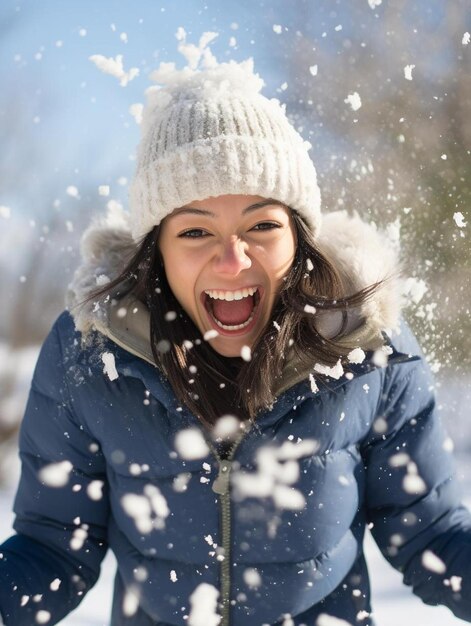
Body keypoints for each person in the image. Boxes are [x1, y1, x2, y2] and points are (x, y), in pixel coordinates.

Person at [0, 36, 470, 626]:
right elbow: (50, 547)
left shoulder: (370, 353)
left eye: (262, 226)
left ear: (300, 239)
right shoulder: (91, 358)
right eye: (195, 232)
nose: (232, 260)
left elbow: (433, 534)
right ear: (157, 252)